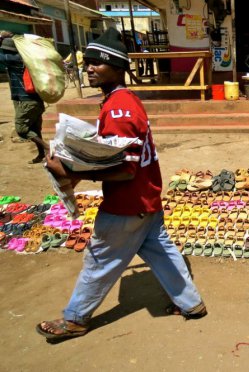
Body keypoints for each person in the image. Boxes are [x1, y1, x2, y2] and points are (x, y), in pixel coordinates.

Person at [36, 27, 207, 341]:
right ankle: (191, 304)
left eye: (97, 63)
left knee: (100, 259)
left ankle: (75, 319)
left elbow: (125, 170)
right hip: (147, 200)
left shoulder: (118, 109)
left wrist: (71, 173)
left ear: (118, 67)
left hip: (127, 204)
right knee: (163, 252)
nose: (89, 67)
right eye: (87, 61)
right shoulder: (125, 101)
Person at [0, 31, 48, 164]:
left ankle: (48, 149)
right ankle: (41, 154)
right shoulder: (26, 58)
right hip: (35, 100)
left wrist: (0, 38)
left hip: (28, 101)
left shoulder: (13, 59)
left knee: (21, 128)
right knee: (34, 129)